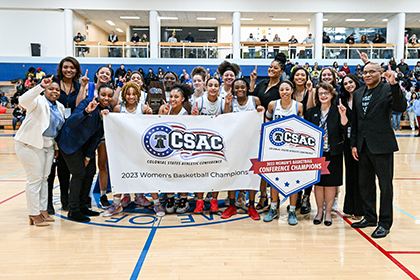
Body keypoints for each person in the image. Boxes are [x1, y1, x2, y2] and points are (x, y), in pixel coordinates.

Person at [350, 51, 407, 238]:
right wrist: (354, 144)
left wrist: (394, 84)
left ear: (380, 73)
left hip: (382, 145)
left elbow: (400, 107)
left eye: (372, 72)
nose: (367, 75)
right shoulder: (358, 94)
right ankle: (370, 216)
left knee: (385, 186)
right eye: (365, 72)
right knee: (365, 184)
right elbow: (356, 121)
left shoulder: (387, 89)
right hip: (363, 145)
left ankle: (384, 223)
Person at [57, 84, 113, 222]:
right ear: (97, 95)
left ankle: (83, 206)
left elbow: (97, 136)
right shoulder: (87, 103)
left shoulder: (106, 111)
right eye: (103, 95)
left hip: (85, 146)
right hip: (70, 143)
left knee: (90, 171)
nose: (106, 98)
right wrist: (86, 111)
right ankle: (73, 210)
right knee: (79, 174)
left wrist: (88, 155)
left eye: (109, 96)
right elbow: (71, 122)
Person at [15, 75, 65, 226]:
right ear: (45, 90)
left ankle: (43, 210)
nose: (54, 91)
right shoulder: (38, 101)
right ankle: (33, 213)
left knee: (44, 179)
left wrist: (55, 148)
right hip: (29, 144)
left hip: (48, 146)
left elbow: (57, 130)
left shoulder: (60, 107)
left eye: (57, 89)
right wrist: (40, 87)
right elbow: (22, 101)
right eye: (51, 89)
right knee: (35, 179)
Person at [103, 82, 159, 217]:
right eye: (128, 94)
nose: (131, 96)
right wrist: (105, 113)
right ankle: (116, 204)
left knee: (147, 175)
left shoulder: (144, 108)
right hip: (122, 149)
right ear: (124, 95)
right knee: (120, 175)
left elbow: (150, 126)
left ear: (138, 95)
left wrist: (150, 115)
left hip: (140, 149)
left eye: (134, 94)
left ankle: (157, 203)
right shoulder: (118, 108)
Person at [220, 77, 264, 220]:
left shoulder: (254, 100)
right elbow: (225, 120)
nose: (240, 90)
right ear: (233, 89)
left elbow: (261, 119)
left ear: (247, 88)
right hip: (235, 143)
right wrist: (226, 104)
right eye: (237, 87)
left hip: (252, 143)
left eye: (242, 87)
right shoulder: (230, 101)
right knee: (233, 174)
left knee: (252, 174)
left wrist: (261, 111)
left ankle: (251, 205)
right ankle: (232, 205)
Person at [305, 83, 348, 227]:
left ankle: (328, 212)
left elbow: (344, 129)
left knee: (330, 185)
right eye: (320, 93)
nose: (323, 96)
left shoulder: (338, 110)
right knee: (318, 184)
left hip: (333, 153)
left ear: (332, 95)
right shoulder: (312, 112)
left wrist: (343, 116)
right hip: (316, 154)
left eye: (326, 93)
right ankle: (319, 212)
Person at [263, 80, 304, 225]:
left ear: (292, 90)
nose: (284, 92)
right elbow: (267, 117)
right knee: (274, 181)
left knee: (293, 182)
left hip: (293, 150)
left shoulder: (298, 106)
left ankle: (292, 210)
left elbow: (302, 127)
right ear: (279, 91)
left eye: (287, 89)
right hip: (275, 149)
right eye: (282, 89)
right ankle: (273, 208)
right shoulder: (273, 105)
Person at [248, 53, 286, 209]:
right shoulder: (262, 83)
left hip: (274, 130)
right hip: (257, 129)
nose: (271, 69)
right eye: (270, 66)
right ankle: (263, 197)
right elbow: (252, 99)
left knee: (271, 166)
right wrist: (252, 82)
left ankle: (274, 200)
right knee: (261, 165)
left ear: (281, 71)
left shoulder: (282, 87)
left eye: (275, 68)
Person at [47, 56, 83, 214]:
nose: (69, 70)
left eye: (72, 67)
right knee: (49, 170)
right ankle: (47, 202)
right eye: (66, 67)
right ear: (61, 68)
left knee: (64, 168)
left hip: (69, 133)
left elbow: (79, 106)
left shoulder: (78, 85)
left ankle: (65, 199)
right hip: (52, 130)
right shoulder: (52, 82)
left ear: (76, 70)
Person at [191, 77, 226, 215]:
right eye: (210, 85)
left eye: (216, 85)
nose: (213, 88)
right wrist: (193, 116)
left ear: (219, 87)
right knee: (200, 172)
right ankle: (200, 201)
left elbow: (229, 121)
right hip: (200, 142)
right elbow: (192, 124)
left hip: (216, 143)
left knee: (215, 172)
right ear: (206, 86)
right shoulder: (199, 102)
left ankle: (214, 200)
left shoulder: (223, 103)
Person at [158, 84, 192, 214]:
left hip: (180, 150)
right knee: (168, 174)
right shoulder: (164, 109)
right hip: (166, 149)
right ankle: (170, 198)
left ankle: (183, 199)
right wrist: (163, 114)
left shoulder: (185, 113)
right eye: (171, 96)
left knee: (183, 174)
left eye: (176, 97)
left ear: (182, 99)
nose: (173, 99)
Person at [340, 74, 364, 219]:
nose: (348, 85)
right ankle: (349, 207)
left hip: (361, 141)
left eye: (350, 82)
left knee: (361, 176)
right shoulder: (342, 100)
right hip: (347, 141)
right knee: (349, 174)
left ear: (355, 82)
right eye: (345, 83)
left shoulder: (363, 96)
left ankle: (360, 209)